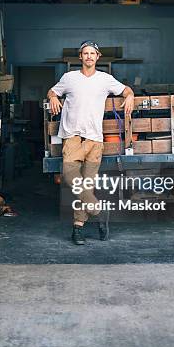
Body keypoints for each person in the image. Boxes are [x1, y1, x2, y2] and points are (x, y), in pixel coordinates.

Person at [47, 40, 134, 245]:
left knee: (86, 186)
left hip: (95, 140)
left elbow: (126, 90)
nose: (88, 56)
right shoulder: (69, 78)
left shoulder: (105, 79)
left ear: (97, 57)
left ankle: (77, 228)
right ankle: (98, 211)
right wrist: (52, 97)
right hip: (72, 137)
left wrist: (130, 96)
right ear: (80, 57)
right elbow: (53, 91)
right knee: (71, 178)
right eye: (85, 53)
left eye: (92, 53)